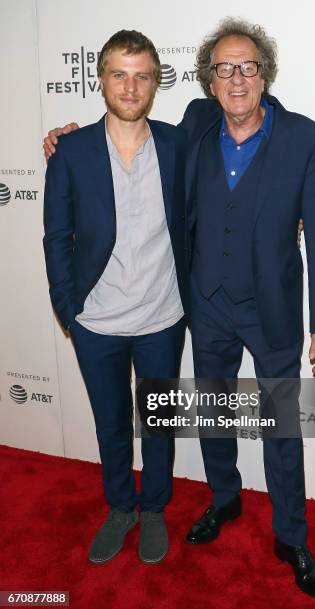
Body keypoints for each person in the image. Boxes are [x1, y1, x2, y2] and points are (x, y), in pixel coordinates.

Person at [43, 18, 315, 600]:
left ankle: (292, 538)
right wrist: (63, 139)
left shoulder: (308, 139)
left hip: (273, 309)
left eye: (247, 66)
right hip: (205, 307)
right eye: (224, 68)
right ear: (207, 80)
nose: (236, 78)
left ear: (264, 75)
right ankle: (223, 501)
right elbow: (111, 147)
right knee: (212, 415)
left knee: (280, 426)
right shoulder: (194, 128)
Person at [43, 29, 188, 565]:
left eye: (142, 76)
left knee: (158, 423)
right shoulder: (72, 149)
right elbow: (56, 235)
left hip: (162, 316)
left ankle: (154, 510)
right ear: (101, 79)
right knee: (110, 423)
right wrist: (67, 307)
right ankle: (120, 508)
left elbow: (248, 112)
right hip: (96, 321)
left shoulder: (178, 144)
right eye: (120, 74)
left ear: (155, 83)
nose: (131, 87)